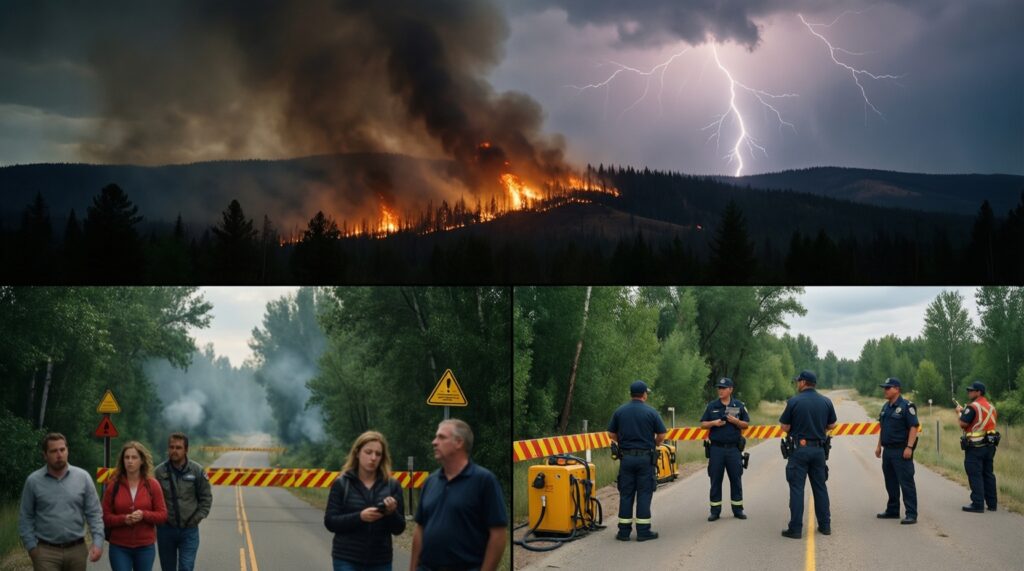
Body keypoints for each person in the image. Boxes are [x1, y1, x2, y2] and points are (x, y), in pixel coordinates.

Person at [410, 419, 507, 571]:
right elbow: (420, 528)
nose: (434, 442)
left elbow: (498, 534)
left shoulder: (483, 481)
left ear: (459, 442)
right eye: (436, 437)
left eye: (441, 437)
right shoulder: (430, 482)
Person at [18, 433, 104, 571]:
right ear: (45, 455)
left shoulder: (83, 477)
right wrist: (32, 548)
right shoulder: (33, 481)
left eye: (62, 450)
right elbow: (25, 516)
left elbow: (94, 513)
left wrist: (98, 542)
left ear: (67, 451)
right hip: (45, 552)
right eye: (53, 451)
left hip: (77, 550)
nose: (59, 454)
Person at [324, 431, 405, 571]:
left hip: (381, 560)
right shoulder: (342, 484)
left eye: (378, 454)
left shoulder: (392, 485)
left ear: (382, 458)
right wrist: (360, 517)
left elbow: (399, 528)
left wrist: (391, 513)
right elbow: (330, 522)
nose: (373, 458)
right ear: (357, 453)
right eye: (368, 452)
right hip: (346, 559)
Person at [779, 371, 836, 539]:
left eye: (798, 381)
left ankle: (795, 529)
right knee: (820, 487)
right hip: (819, 450)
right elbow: (832, 424)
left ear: (804, 382)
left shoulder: (794, 401)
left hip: (799, 450)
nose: (797, 384)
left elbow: (784, 427)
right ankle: (825, 526)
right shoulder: (826, 401)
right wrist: (819, 430)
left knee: (797, 489)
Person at [607, 380, 667, 541]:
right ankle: (643, 531)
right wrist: (653, 444)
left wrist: (623, 443)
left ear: (631, 394)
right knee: (644, 494)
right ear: (644, 395)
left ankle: (623, 532)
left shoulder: (620, 411)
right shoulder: (651, 412)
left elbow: (611, 434)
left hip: (626, 458)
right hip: (645, 459)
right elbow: (662, 435)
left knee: (626, 494)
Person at [103, 441, 168, 570]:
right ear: (122, 461)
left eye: (134, 457)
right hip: (119, 546)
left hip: (145, 547)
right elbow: (104, 516)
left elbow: (163, 515)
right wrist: (123, 519)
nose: (130, 461)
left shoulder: (152, 484)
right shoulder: (113, 485)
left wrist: (144, 515)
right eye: (126, 457)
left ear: (142, 461)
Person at [154, 432, 212, 571]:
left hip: (189, 530)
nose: (174, 451)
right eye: (171, 447)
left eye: (178, 448)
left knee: (186, 567)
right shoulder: (159, 472)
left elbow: (206, 498)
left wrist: (196, 519)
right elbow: (152, 499)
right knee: (168, 568)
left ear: (186, 450)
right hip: (166, 530)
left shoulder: (197, 470)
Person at [700, 377, 750, 521]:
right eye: (719, 388)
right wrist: (714, 423)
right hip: (716, 449)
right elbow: (703, 424)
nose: (720, 390)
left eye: (723, 388)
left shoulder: (739, 405)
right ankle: (715, 511)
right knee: (715, 480)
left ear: (730, 389)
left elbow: (746, 424)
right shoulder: (712, 406)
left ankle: (738, 509)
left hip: (734, 450)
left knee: (736, 479)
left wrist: (736, 421)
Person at [874, 378, 919, 524]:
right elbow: (883, 428)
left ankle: (911, 513)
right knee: (890, 482)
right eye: (884, 388)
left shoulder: (907, 406)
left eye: (888, 388)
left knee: (906, 482)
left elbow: (914, 427)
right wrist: (879, 445)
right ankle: (892, 510)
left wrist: (909, 447)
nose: (885, 390)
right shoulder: (886, 407)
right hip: (888, 451)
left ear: (897, 389)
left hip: (901, 450)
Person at [956, 381, 998, 513]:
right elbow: (980, 421)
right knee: (988, 474)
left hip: (975, 447)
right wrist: (965, 412)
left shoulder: (972, 406)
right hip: (990, 446)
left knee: (975, 474)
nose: (969, 392)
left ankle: (978, 503)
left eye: (971, 390)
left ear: (978, 392)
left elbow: (963, 423)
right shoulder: (991, 407)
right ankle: (992, 504)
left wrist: (959, 413)